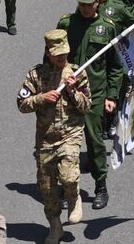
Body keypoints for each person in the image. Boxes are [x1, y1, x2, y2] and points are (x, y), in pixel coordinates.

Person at [16, 29, 91, 244]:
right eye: (57, 53)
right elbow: (21, 104)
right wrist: (41, 98)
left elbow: (87, 105)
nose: (61, 57)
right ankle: (55, 227)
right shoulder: (36, 75)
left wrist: (73, 92)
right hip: (46, 139)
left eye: (64, 53)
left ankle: (74, 196)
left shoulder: (77, 73)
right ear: (48, 52)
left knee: (68, 176)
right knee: (47, 189)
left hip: (70, 134)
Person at [58, 0, 124, 213]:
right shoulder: (66, 24)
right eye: (82, 4)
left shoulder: (106, 28)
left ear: (98, 3)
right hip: (67, 95)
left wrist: (111, 96)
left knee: (95, 142)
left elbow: (116, 66)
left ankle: (100, 187)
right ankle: (67, 188)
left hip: (93, 94)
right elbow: (53, 57)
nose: (85, 8)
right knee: (66, 144)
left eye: (90, 4)